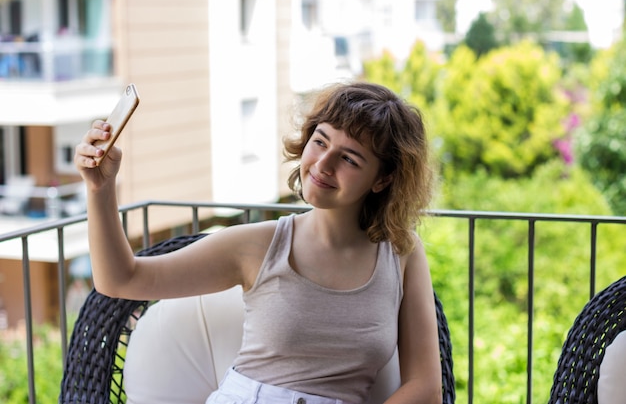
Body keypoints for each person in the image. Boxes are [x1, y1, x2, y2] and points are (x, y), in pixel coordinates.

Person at [74, 81, 442, 404]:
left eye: (348, 158)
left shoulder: (402, 253)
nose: (323, 164)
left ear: (382, 179)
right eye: (320, 142)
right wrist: (100, 189)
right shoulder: (259, 245)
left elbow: (426, 388)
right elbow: (120, 279)